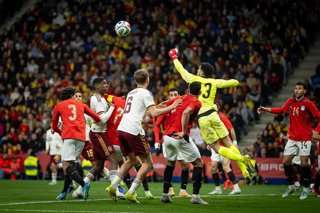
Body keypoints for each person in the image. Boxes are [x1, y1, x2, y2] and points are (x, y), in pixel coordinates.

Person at [168, 48, 254, 180]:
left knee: (216, 146)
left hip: (203, 117)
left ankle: (242, 158)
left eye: (199, 68)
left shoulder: (194, 79)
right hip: (214, 115)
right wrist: (236, 81)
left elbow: (181, 70)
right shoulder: (214, 82)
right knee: (228, 142)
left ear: (202, 71)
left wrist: (174, 57)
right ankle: (244, 168)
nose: (197, 70)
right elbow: (232, 82)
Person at [106, 69, 182, 204]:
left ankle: (113, 187)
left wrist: (156, 106)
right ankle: (131, 192)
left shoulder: (131, 93)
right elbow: (154, 114)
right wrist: (172, 106)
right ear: (147, 79)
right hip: (133, 130)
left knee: (130, 160)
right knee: (148, 163)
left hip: (121, 129)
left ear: (136, 81)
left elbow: (144, 114)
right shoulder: (146, 93)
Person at [257, 81, 320, 200]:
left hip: (304, 138)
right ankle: (291, 186)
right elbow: (281, 110)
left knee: (304, 163)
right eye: (296, 88)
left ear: (304, 91)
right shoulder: (290, 102)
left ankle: (306, 188)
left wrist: (316, 131)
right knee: (286, 161)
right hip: (292, 138)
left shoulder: (308, 104)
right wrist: (266, 109)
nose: (297, 90)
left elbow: (319, 116)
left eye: (300, 89)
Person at [51, 87, 104, 200]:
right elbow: (97, 117)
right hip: (81, 138)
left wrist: (61, 132)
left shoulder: (59, 106)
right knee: (70, 166)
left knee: (66, 166)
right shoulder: (81, 104)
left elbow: (54, 126)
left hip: (69, 136)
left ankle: (83, 184)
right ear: (72, 95)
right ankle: (64, 192)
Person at [160, 81, 207, 204]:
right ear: (200, 92)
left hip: (167, 137)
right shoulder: (197, 102)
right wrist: (184, 132)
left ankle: (165, 195)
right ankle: (195, 197)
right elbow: (186, 112)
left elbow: (163, 105)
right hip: (178, 136)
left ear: (188, 90)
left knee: (170, 164)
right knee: (198, 164)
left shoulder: (180, 98)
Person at [104, 92, 154, 200]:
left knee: (130, 161)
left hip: (118, 135)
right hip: (134, 134)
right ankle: (136, 191)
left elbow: (104, 95)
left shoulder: (118, 100)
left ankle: (114, 187)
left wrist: (107, 106)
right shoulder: (140, 104)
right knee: (145, 163)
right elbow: (149, 120)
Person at [80, 78, 120, 195]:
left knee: (98, 166)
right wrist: (112, 107)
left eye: (107, 83)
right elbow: (102, 120)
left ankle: (79, 190)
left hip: (97, 133)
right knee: (113, 159)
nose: (106, 85)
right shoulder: (97, 99)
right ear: (97, 86)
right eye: (103, 83)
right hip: (99, 133)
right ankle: (115, 190)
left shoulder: (101, 98)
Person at [71, 91, 111, 199]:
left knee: (97, 165)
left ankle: (114, 185)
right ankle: (71, 186)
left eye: (80, 96)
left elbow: (94, 120)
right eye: (76, 96)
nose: (78, 98)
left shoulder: (85, 110)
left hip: (86, 142)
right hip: (72, 141)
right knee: (67, 165)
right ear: (72, 97)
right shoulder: (68, 110)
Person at [154, 87, 191, 198]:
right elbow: (157, 125)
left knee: (185, 165)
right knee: (171, 164)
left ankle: (183, 191)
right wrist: (157, 141)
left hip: (180, 138)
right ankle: (169, 189)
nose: (173, 97)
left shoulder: (184, 107)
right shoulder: (166, 108)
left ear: (179, 95)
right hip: (169, 138)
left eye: (175, 94)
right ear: (169, 97)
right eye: (171, 95)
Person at [209, 110, 241, 195]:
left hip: (225, 146)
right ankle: (217, 189)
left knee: (226, 167)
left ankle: (236, 187)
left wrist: (234, 143)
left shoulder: (222, 117)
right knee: (213, 168)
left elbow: (231, 129)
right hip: (215, 146)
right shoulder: (209, 117)